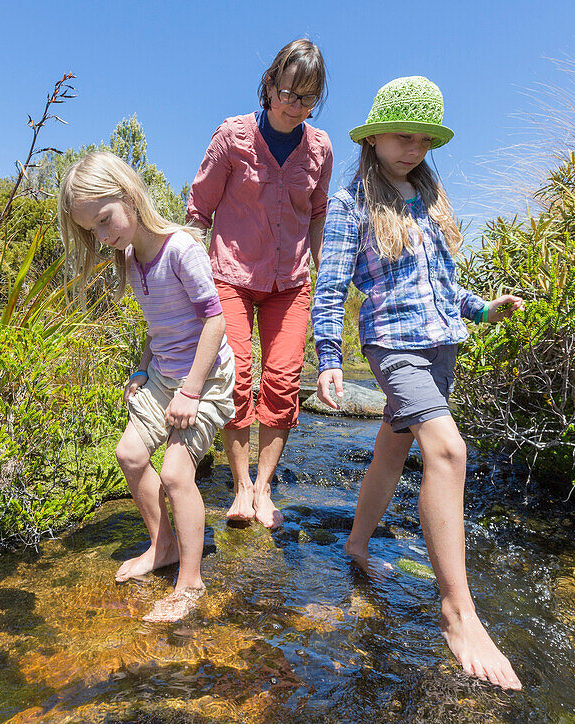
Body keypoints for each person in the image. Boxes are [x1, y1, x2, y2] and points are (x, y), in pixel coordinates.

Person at [311, 76, 525, 689]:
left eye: (425, 138)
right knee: (448, 451)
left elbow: (441, 288)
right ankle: (459, 614)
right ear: (374, 136)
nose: (414, 148)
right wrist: (329, 356)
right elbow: (331, 287)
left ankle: (356, 544)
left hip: (439, 345)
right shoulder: (353, 204)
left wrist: (483, 308)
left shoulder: (429, 200)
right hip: (393, 347)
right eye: (403, 135)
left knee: (393, 445)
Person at [58, 151, 235, 623]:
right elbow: (161, 331)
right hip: (164, 373)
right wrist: (142, 368)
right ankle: (165, 545)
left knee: (177, 474)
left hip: (207, 377)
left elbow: (215, 321)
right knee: (130, 455)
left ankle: (191, 582)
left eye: (103, 219)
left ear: (129, 193)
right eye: (92, 230)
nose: (102, 235)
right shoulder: (132, 258)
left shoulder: (180, 248)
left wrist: (192, 391)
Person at [186, 39, 333, 529]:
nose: (294, 106)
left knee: (284, 379)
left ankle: (266, 488)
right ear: (270, 84)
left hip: (290, 281)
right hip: (228, 275)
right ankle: (241, 485)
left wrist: (320, 268)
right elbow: (199, 211)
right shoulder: (232, 136)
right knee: (237, 377)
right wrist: (183, 278)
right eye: (288, 93)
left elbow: (317, 214)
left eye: (307, 99)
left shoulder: (321, 149)